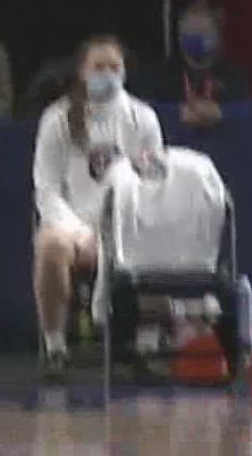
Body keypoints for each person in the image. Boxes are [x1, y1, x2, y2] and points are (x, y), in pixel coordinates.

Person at [30, 36, 165, 378]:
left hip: (128, 221)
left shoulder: (143, 117)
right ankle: (55, 348)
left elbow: (155, 181)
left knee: (161, 245)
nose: (107, 73)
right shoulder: (57, 119)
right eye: (98, 67)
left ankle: (145, 349)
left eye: (114, 67)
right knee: (49, 246)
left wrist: (120, 229)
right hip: (75, 225)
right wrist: (81, 234)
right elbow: (46, 189)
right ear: (82, 72)